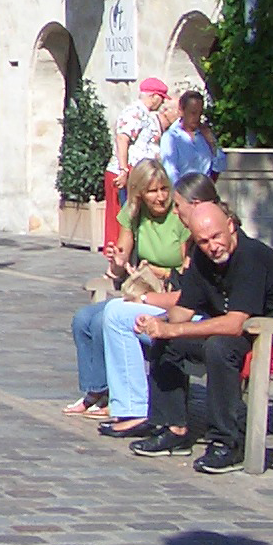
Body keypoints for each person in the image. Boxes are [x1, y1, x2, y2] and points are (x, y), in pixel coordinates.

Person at [129, 196, 273, 473]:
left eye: (217, 237)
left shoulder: (251, 256)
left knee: (219, 347)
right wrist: (156, 323)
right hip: (246, 332)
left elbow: (235, 324)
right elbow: (184, 309)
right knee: (168, 342)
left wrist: (172, 328)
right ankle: (172, 429)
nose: (213, 247)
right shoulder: (203, 260)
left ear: (230, 226)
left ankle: (227, 442)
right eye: (203, 241)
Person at [66, 160, 185, 424]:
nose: (161, 197)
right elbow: (119, 268)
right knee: (84, 319)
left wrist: (157, 270)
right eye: (153, 191)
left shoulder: (179, 217)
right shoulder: (132, 215)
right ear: (139, 192)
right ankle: (98, 390)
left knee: (103, 320)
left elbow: (188, 272)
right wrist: (117, 261)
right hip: (140, 290)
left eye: (164, 189)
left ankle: (119, 397)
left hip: (169, 295)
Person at [159, 89, 227, 181]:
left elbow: (220, 165)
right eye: (193, 113)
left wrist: (212, 142)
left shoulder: (204, 135)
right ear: (181, 111)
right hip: (183, 190)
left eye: (200, 113)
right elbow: (170, 171)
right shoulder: (171, 137)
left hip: (204, 189)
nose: (197, 118)